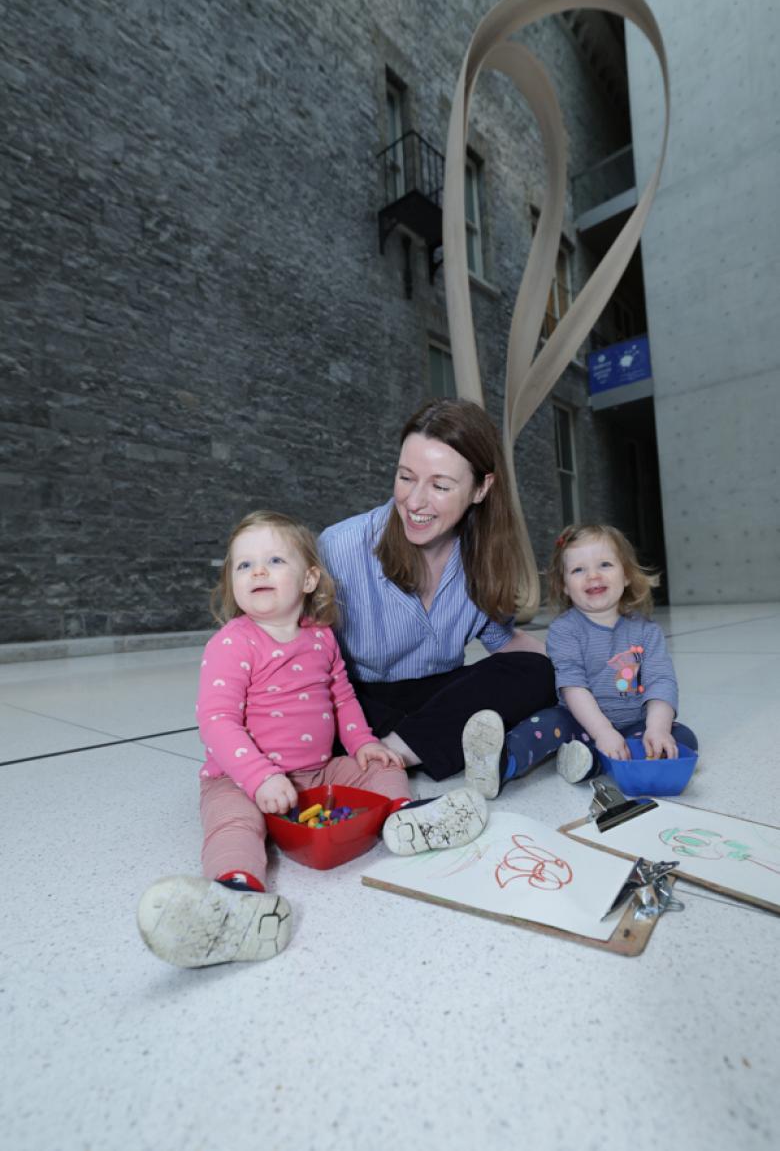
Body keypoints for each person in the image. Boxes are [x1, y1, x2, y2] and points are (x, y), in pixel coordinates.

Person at [137, 511, 487, 969]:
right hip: (237, 778)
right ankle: (234, 895)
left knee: (382, 765)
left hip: (319, 771)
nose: (257, 572)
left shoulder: (321, 638)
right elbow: (216, 720)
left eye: (274, 560)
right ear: (232, 581)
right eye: (244, 565)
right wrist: (259, 777)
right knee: (234, 824)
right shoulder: (232, 643)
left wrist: (362, 743)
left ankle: (405, 817)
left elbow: (342, 697)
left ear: (309, 579)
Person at [318, 398, 557, 788]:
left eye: (440, 486)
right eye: (406, 477)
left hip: (434, 699)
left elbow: (504, 643)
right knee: (314, 710)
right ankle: (427, 744)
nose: (414, 502)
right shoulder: (339, 547)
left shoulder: (483, 556)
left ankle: (395, 752)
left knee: (539, 672)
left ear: (481, 488)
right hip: (356, 701)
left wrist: (580, 668)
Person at [462, 523, 698, 797]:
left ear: (626, 575)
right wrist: (603, 732)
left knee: (683, 737)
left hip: (635, 722)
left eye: (605, 564)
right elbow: (573, 687)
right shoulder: (565, 630)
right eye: (578, 570)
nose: (593, 575)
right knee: (541, 725)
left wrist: (657, 729)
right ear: (564, 585)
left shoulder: (648, 631)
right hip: (576, 721)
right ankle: (502, 763)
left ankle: (590, 762)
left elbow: (661, 682)